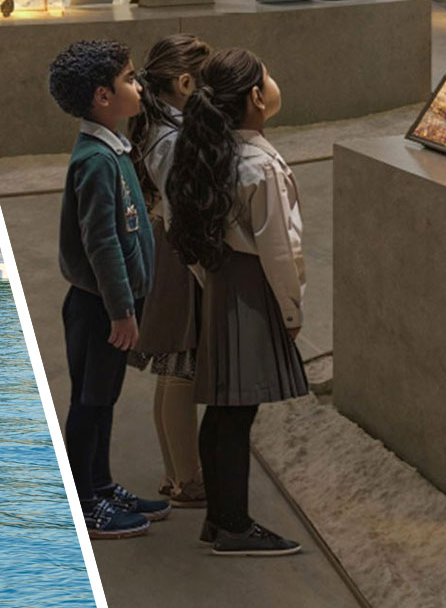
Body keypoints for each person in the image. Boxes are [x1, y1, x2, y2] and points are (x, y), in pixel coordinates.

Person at [166, 48, 308, 557]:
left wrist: (214, 283)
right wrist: (291, 311)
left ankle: (220, 519)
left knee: (226, 410)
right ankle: (232, 525)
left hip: (224, 286)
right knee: (236, 412)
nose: (273, 81)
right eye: (268, 75)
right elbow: (279, 249)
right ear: (255, 97)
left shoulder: (210, 151)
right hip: (253, 291)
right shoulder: (258, 165)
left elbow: (189, 237)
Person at [48, 39, 172, 538]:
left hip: (112, 306)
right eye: (128, 78)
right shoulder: (96, 162)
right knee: (90, 402)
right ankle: (84, 503)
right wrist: (122, 309)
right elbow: (101, 244)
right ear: (103, 96)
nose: (138, 86)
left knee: (105, 398)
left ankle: (99, 484)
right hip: (98, 307)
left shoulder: (113, 150)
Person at [127, 33, 212, 508]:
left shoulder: (153, 126)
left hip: (164, 247)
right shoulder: (173, 137)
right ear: (184, 83)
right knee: (180, 368)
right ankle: (188, 480)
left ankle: (176, 474)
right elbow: (184, 208)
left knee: (171, 371)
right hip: (180, 257)